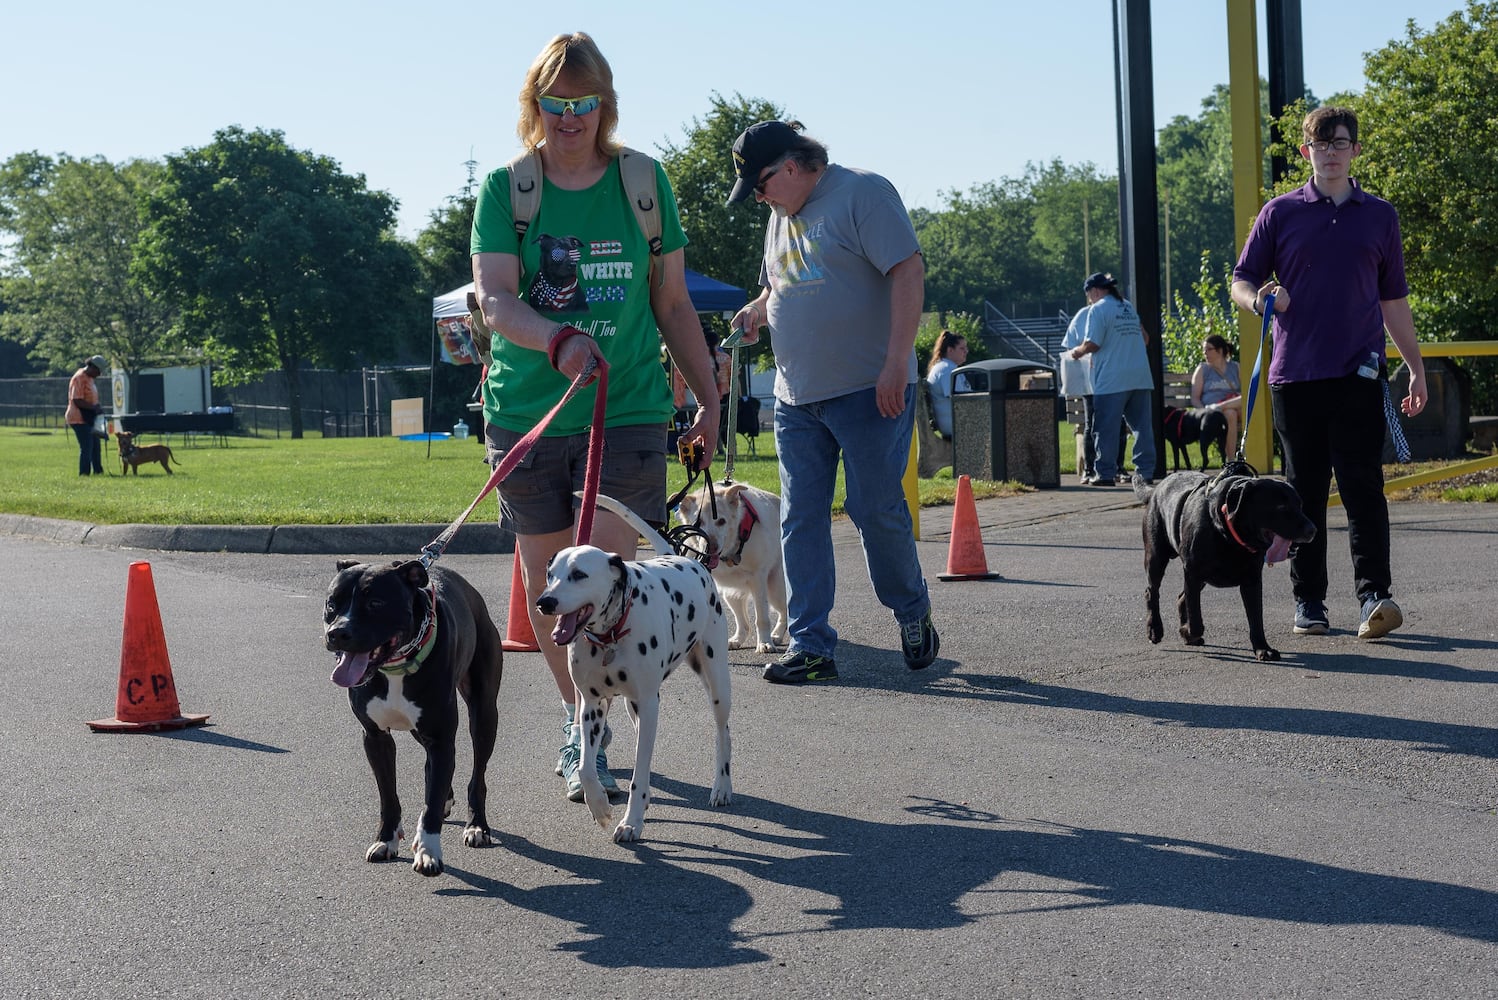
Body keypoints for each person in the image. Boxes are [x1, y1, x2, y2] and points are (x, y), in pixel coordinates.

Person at [470, 31, 721, 800]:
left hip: (631, 410)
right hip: (528, 414)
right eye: (556, 102)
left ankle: (598, 734)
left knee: (602, 587)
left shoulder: (644, 183)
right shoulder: (509, 190)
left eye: (584, 103)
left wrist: (708, 398)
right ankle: (584, 723)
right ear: (535, 104)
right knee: (554, 597)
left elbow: (672, 302)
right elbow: (495, 300)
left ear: (604, 105)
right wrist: (559, 340)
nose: (570, 117)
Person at [724, 120, 938, 684]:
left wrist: (896, 362)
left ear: (791, 166)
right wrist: (754, 312)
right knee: (800, 518)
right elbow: (779, 288)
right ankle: (811, 644)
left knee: (874, 509)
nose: (760, 199)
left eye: (763, 185)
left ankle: (912, 609)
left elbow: (908, 269)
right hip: (798, 398)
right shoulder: (780, 217)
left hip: (870, 389)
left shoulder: (863, 193)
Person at [1230, 105, 1426, 641]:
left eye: (1341, 143)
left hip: (1360, 374)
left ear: (1356, 150)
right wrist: (1260, 299)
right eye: (1322, 144)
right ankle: (1308, 603)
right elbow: (1241, 280)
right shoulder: (1280, 213)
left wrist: (1415, 367)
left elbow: (1394, 301)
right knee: (1304, 492)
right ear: (1306, 152)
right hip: (1295, 376)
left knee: (1364, 488)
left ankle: (1374, 598)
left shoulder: (1380, 216)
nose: (1332, 152)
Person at [1068, 272, 1155, 486]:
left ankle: (1105, 474)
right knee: (1142, 428)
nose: (1089, 300)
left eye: (1089, 295)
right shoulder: (1127, 306)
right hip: (1140, 376)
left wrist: (1076, 352)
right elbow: (1145, 339)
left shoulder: (1098, 309)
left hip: (1112, 379)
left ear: (1094, 291)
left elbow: (1093, 344)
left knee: (1106, 428)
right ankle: (1145, 472)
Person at [1190, 334, 1242, 462]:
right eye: (1204, 349)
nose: (1205, 353)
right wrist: (1206, 412)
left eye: (1208, 349)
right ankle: (1231, 461)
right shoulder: (1203, 369)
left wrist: (1221, 406)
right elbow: (1195, 398)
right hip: (1212, 411)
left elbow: (1244, 394)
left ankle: (1237, 459)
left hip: (1231, 405)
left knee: (1240, 404)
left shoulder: (1235, 367)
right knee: (1231, 414)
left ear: (1220, 350)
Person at [65, 355, 107, 476]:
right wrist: (94, 408)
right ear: (92, 367)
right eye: (98, 371)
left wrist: (97, 407)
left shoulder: (90, 378)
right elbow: (77, 400)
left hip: (89, 418)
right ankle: (84, 473)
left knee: (95, 446)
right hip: (78, 418)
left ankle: (98, 471)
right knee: (87, 447)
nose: (99, 374)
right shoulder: (79, 378)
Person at [924, 330, 968, 439]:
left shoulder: (947, 367)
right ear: (950, 350)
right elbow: (960, 400)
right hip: (954, 427)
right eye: (962, 348)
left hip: (956, 424)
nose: (966, 351)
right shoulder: (946, 370)